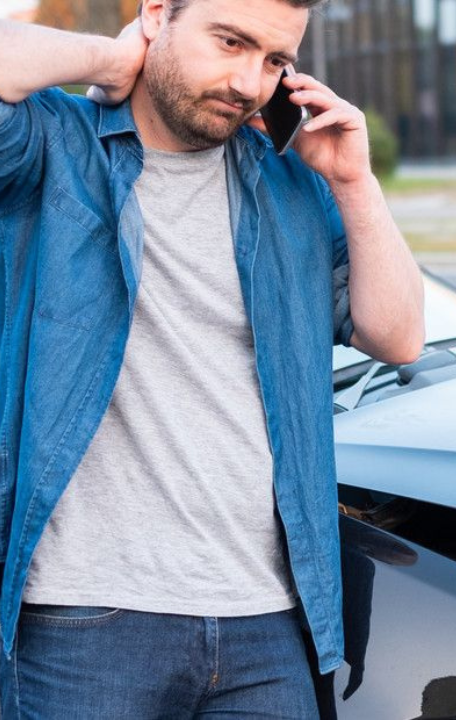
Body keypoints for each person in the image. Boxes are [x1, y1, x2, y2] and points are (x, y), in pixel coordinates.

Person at [0, 0, 425, 715]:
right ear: (158, 13)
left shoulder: (290, 182)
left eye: (275, 61)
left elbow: (398, 336)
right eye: (229, 42)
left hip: (265, 620)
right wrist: (112, 59)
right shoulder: (53, 144)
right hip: (83, 619)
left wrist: (354, 182)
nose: (249, 81)